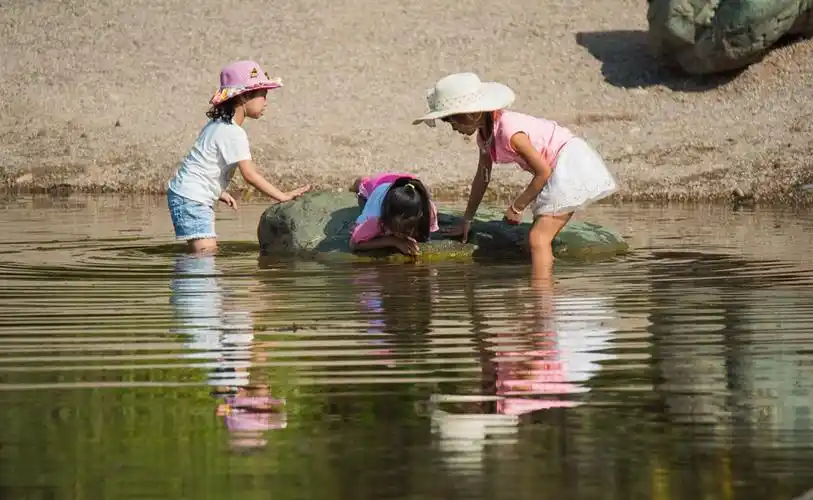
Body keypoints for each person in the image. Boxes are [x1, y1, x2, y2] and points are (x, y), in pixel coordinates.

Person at [413, 72, 618, 279]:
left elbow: (543, 171)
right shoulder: (485, 137)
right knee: (535, 239)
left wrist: (516, 207)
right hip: (555, 168)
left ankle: (542, 298)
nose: (454, 127)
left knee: (538, 239)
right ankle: (545, 285)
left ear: (472, 113)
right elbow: (482, 177)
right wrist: (467, 219)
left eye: (453, 120)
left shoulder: (509, 131)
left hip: (569, 163)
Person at [167, 60, 311, 254]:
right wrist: (282, 196)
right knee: (205, 254)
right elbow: (250, 175)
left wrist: (217, 191)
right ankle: (192, 283)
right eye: (263, 96)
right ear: (244, 97)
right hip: (192, 198)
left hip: (186, 193)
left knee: (201, 252)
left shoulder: (216, 125)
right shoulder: (234, 133)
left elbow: (201, 162)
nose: (266, 102)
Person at [349, 172, 439, 256]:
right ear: (386, 218)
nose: (403, 236)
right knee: (363, 189)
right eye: (398, 230)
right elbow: (354, 244)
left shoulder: (428, 211)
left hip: (405, 185)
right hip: (378, 185)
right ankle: (362, 181)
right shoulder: (375, 218)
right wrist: (394, 241)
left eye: (407, 230)